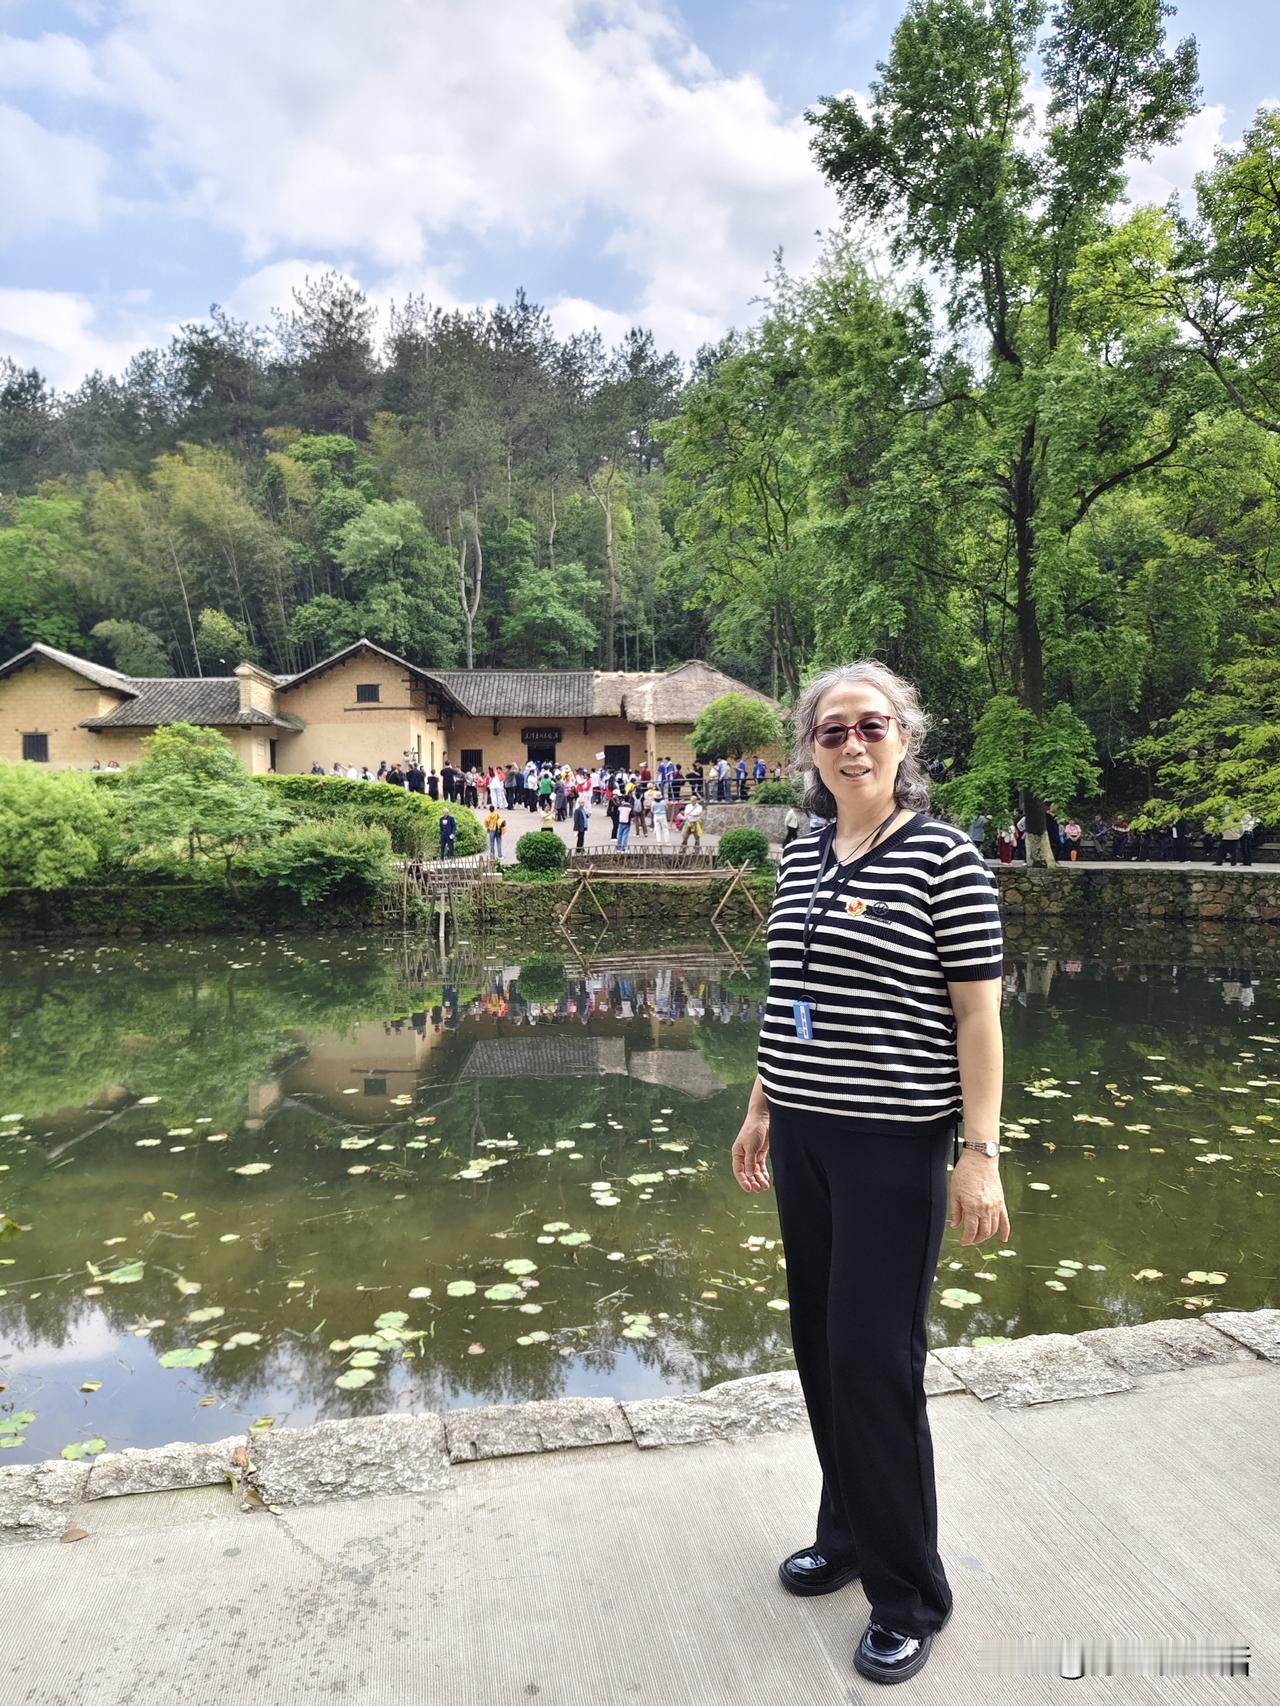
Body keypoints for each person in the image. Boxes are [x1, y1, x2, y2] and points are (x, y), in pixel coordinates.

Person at [731, 657, 1007, 1685]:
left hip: (893, 1142)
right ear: (810, 749)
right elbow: (786, 991)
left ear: (904, 739)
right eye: (832, 729)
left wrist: (978, 1152)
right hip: (804, 1131)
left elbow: (976, 1016)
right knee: (819, 1345)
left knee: (873, 1361)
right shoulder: (802, 850)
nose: (852, 744)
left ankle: (908, 1593)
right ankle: (844, 1534)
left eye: (871, 725)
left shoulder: (943, 856)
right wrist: (761, 1103)